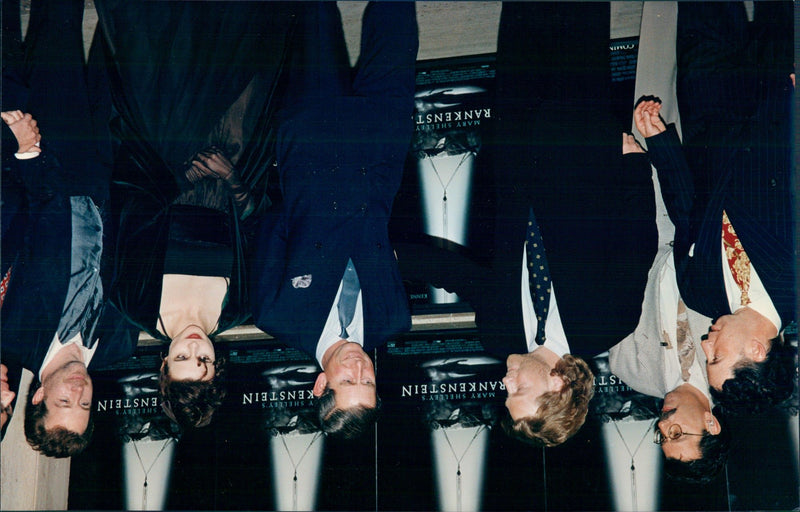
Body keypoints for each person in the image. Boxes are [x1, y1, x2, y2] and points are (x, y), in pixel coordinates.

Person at [98, 1, 298, 428]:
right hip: (233, 153)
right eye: (204, 358)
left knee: (175, 41)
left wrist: (183, 176)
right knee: (240, 45)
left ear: (163, 365)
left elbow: (127, 213)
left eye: (183, 358)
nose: (193, 346)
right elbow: (260, 230)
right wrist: (233, 179)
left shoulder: (133, 302)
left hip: (166, 148)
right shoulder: (242, 307)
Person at [480, 2, 659, 446]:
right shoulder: (610, 323)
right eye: (519, 391)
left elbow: (465, 271)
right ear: (558, 386)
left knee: (522, 20)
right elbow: (636, 244)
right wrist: (635, 167)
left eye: (507, 394)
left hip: (516, 141)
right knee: (579, 18)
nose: (507, 384)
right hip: (579, 140)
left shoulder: (495, 334)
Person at [250, 2, 418, 439]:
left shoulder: (276, 315)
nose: (361, 369)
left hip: (313, 134)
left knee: (314, 16)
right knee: (396, 21)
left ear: (321, 384)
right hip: (382, 140)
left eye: (349, 382)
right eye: (368, 382)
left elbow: (271, 222)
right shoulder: (395, 318)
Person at [633, 4, 795, 416]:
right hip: (776, 94)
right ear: (758, 351)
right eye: (716, 357)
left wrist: (662, 146)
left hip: (708, 108)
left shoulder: (700, 292)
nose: (705, 345)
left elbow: (687, 214)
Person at [1, 108, 138, 458]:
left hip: (53, 158)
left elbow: (20, 232)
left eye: (65, 401)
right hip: (110, 173)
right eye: (86, 404)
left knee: (57, 58)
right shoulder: (119, 345)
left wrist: (30, 155)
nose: (79, 391)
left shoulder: (13, 334)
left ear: (38, 397)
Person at [610, 250, 731, 483]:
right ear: (711, 424)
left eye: (662, 436)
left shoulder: (627, 368)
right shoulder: (733, 365)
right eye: (676, 434)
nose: (663, 424)